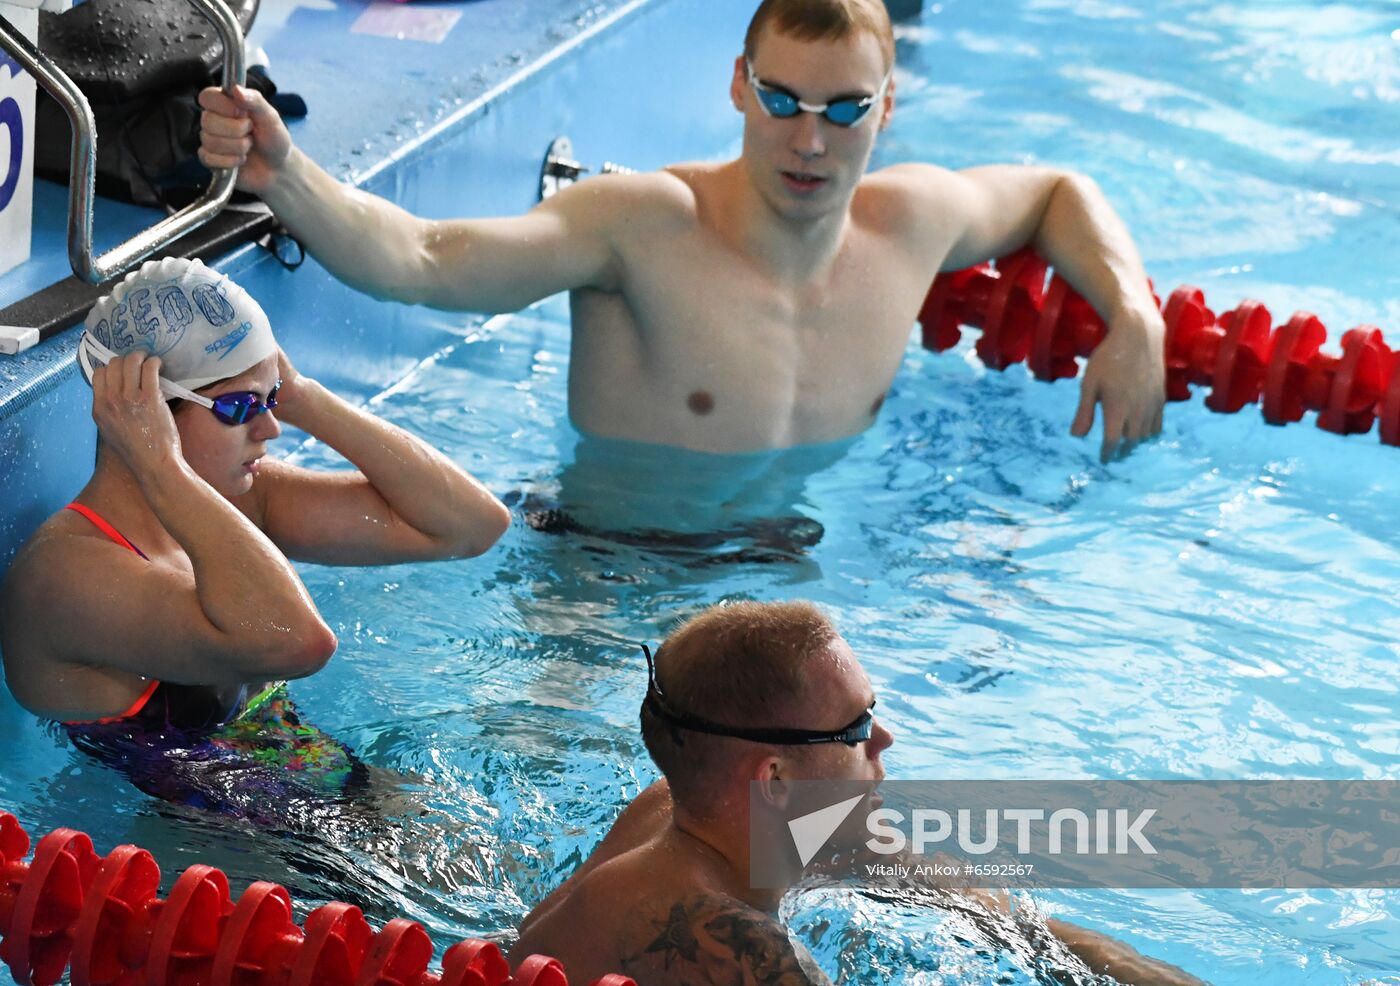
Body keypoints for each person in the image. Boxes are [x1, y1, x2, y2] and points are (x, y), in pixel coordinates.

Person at [196, 0, 1165, 464]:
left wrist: (1136, 318)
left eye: (841, 110)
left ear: (884, 107)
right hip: (609, 581)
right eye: (780, 98)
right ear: (737, 84)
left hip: (795, 572)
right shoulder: (643, 226)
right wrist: (283, 175)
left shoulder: (908, 222)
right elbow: (421, 261)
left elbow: (1054, 191)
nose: (806, 139)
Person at [0, 257, 510, 803]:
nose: (270, 427)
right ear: (148, 411)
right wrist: (159, 464)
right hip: (204, 869)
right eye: (240, 406)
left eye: (271, 400)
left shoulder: (240, 498)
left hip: (328, 804)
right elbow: (299, 643)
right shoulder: (66, 572)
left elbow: (470, 526)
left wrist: (302, 395)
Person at [510, 601, 1202, 985]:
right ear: (774, 779)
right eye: (857, 727)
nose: (886, 740)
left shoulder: (703, 809)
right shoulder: (734, 943)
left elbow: (1009, 922)